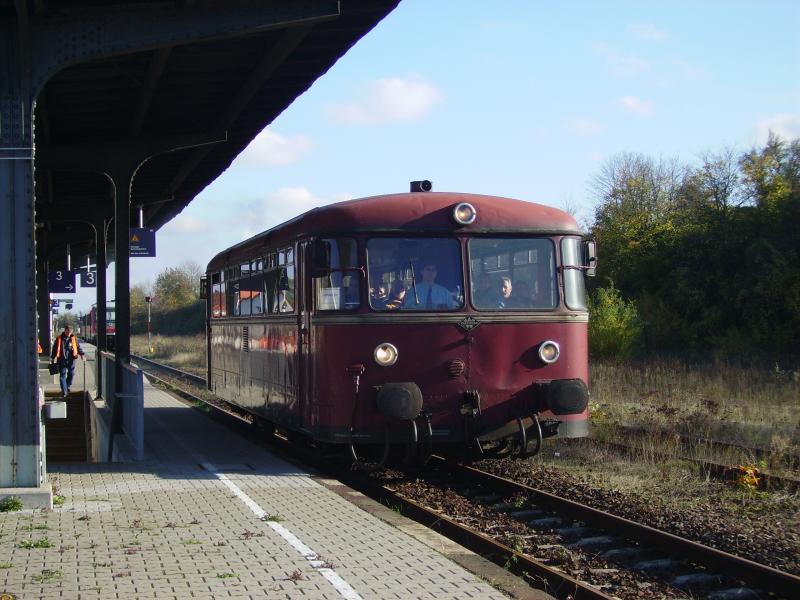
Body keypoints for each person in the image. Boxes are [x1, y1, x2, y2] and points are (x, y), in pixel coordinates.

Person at [50, 325, 85, 397]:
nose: (68, 333)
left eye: (70, 332)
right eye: (67, 332)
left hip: (71, 360)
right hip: (61, 360)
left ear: (72, 331)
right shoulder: (59, 338)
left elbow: (78, 347)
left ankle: (67, 386)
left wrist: (82, 355)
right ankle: (64, 391)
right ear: (65, 331)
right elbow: (55, 348)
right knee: (62, 375)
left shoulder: (74, 339)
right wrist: (52, 357)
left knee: (71, 374)